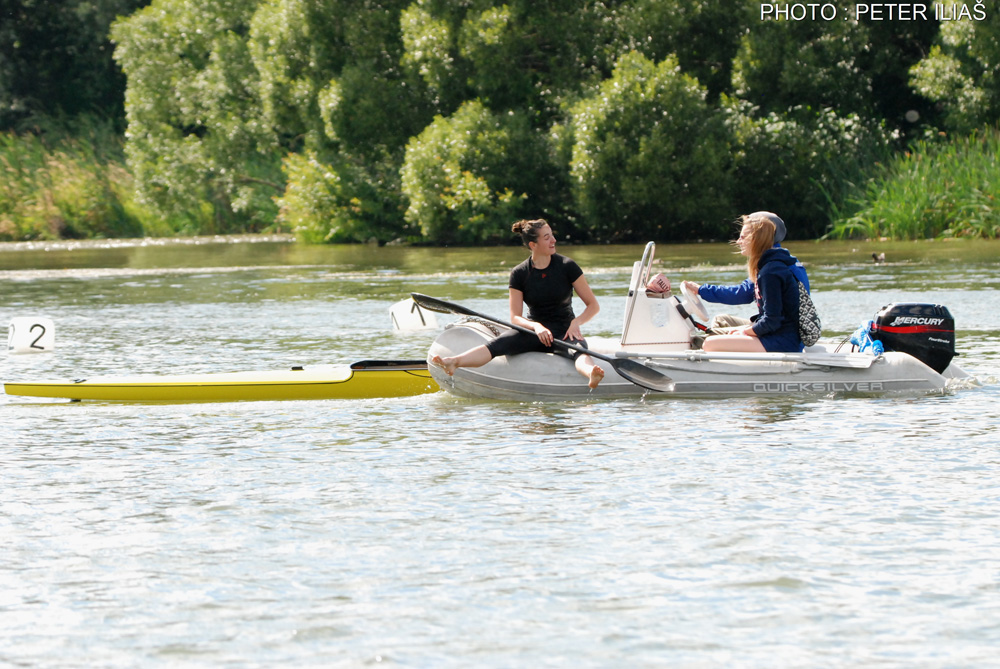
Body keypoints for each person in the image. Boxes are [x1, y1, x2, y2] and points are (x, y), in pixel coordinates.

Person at [431, 219, 606, 388]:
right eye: (547, 237)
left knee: (579, 351)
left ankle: (591, 373)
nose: (553, 240)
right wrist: (536, 326)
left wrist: (576, 323)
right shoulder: (519, 273)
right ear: (533, 245)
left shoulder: (568, 266)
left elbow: (593, 306)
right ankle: (455, 362)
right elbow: (515, 317)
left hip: (564, 330)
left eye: (552, 235)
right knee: (497, 345)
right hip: (533, 332)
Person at [682, 211, 810, 331]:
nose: (738, 241)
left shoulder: (772, 268)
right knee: (721, 320)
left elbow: (743, 293)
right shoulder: (784, 260)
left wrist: (702, 290)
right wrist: (702, 290)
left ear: (760, 235)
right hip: (786, 329)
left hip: (780, 332)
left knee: (716, 334)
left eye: (743, 236)